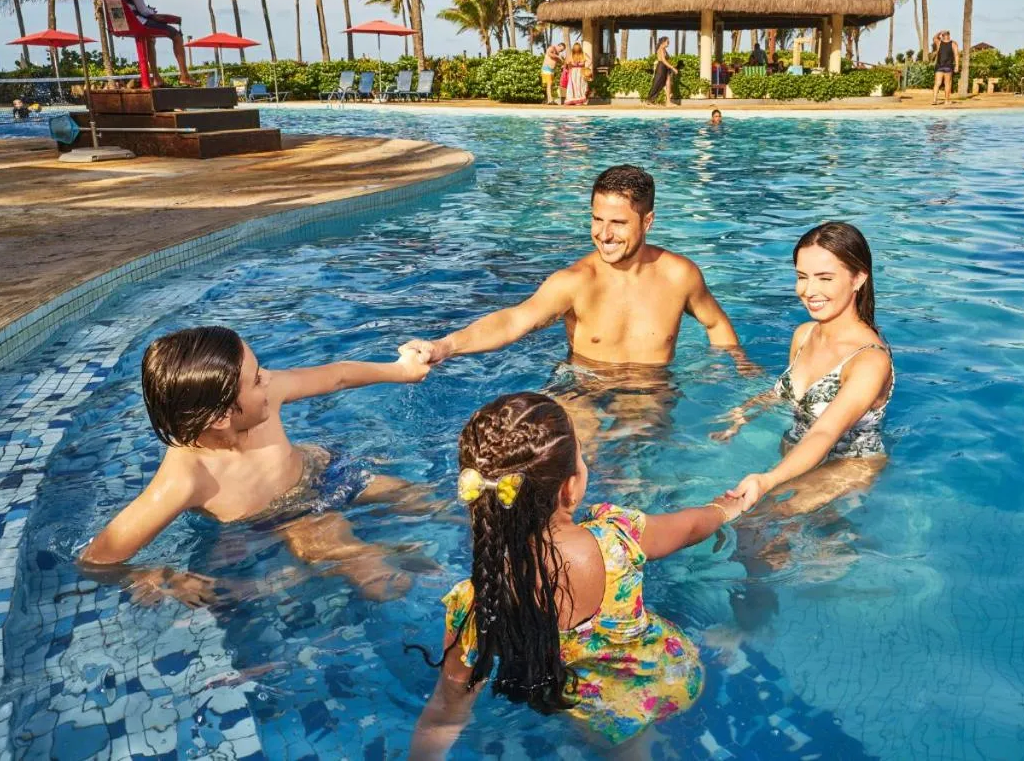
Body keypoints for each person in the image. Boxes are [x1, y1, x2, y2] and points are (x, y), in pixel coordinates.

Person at [408, 392, 749, 756]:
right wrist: (725, 508)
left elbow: (448, 709)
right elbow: (689, 528)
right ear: (570, 488)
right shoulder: (617, 538)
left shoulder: (476, 603)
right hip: (675, 676)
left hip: (599, 719)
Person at [80, 326, 434, 602]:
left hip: (326, 473)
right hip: (289, 519)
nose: (268, 377)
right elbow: (98, 558)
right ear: (221, 417)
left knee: (425, 500)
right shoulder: (186, 478)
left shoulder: (264, 395)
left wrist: (402, 370)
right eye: (255, 377)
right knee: (375, 576)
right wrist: (161, 577)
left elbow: (338, 374)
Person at [400, 165, 742, 368]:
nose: (604, 235)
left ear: (647, 221)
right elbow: (515, 320)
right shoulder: (576, 282)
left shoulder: (679, 276)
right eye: (597, 219)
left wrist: (735, 373)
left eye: (618, 223)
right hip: (584, 388)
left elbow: (716, 324)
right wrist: (445, 346)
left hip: (653, 395)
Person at [716, 222, 894, 513]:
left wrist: (767, 480)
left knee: (755, 523)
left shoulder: (869, 360)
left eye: (825, 278)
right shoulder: (804, 334)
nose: (809, 290)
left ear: (858, 278)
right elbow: (784, 393)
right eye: (802, 277)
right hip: (796, 455)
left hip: (846, 468)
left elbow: (825, 432)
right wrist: (741, 415)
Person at [100, 0, 197, 87]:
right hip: (135, 22)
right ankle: (184, 75)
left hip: (116, 23)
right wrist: (152, 13)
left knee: (150, 39)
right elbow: (142, 9)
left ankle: (156, 78)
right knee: (176, 35)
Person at [645, 37, 677, 105]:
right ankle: (649, 100)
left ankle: (668, 102)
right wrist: (672, 68)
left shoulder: (664, 49)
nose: (669, 43)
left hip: (665, 68)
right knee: (657, 84)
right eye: (667, 42)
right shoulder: (661, 49)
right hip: (661, 67)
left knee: (668, 83)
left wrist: (670, 66)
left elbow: (666, 60)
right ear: (663, 42)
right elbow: (663, 60)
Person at [931, 30, 960, 106]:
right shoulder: (953, 44)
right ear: (949, 35)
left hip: (940, 66)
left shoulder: (939, 42)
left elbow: (934, 38)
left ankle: (934, 100)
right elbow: (956, 55)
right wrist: (957, 66)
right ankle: (946, 101)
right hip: (948, 66)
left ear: (942, 36)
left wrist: (939, 32)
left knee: (937, 83)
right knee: (947, 84)